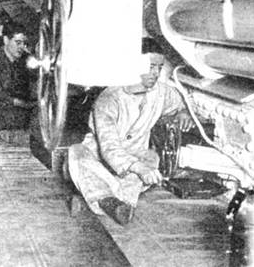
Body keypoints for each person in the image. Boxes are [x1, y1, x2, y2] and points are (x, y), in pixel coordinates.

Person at [67, 39, 193, 225]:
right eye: (151, 67)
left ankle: (100, 200)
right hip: (101, 159)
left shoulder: (161, 92)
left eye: (159, 68)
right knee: (77, 154)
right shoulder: (109, 99)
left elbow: (184, 102)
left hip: (136, 159)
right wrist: (139, 168)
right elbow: (109, 148)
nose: (156, 73)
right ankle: (108, 202)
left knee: (151, 158)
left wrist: (184, 112)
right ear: (133, 65)